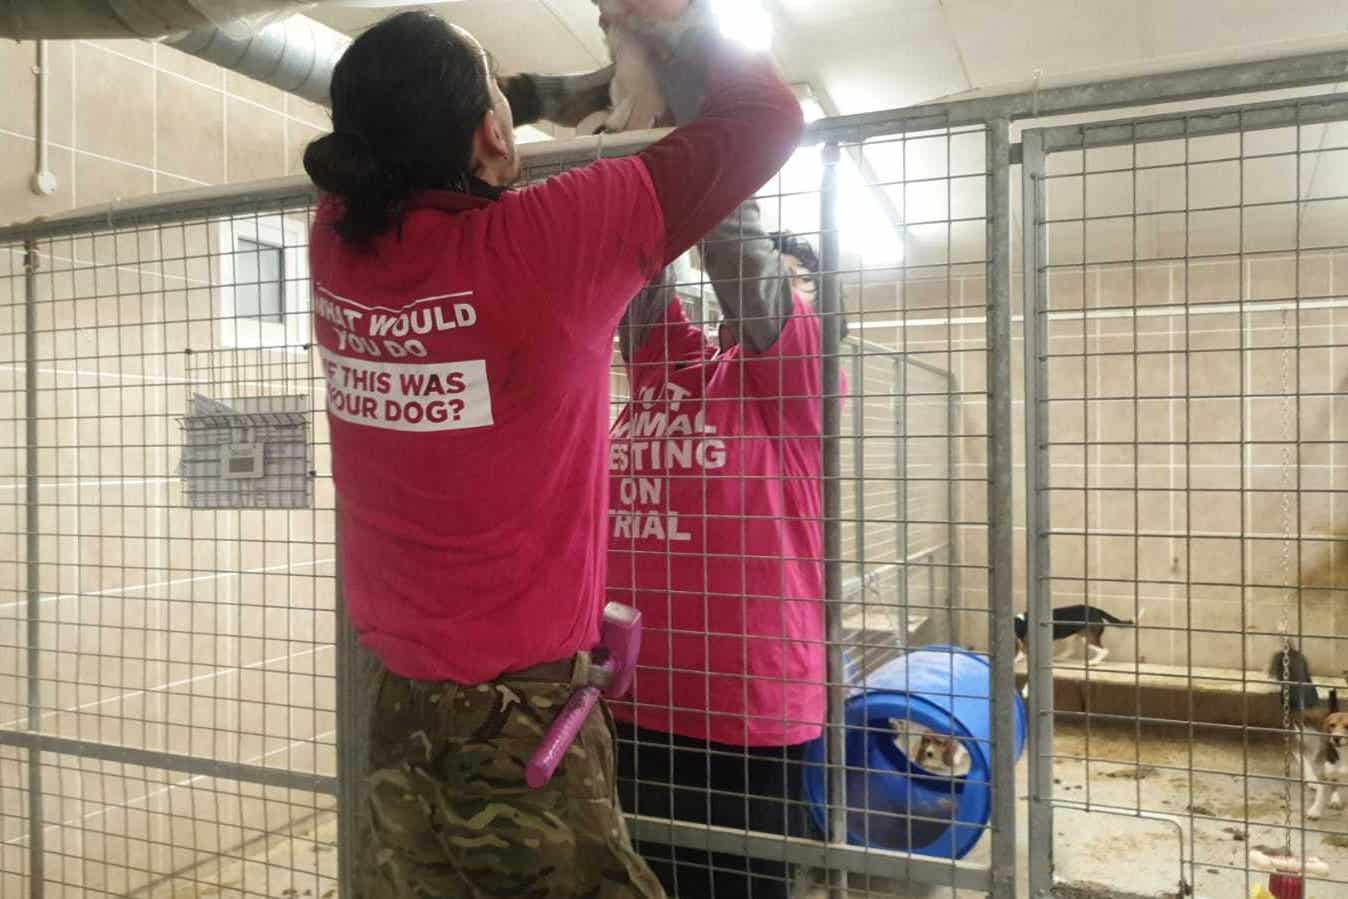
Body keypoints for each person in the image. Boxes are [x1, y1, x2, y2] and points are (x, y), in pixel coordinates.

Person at [301, 2, 804, 896]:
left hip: (392, 704)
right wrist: (675, 26)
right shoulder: (545, 240)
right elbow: (766, 119)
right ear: (492, 139)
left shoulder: (334, 244)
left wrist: (573, 87)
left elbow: (397, 133)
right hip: (521, 717)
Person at [607, 197, 828, 899]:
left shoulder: (800, 378)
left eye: (794, 283)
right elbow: (637, 275)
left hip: (747, 708)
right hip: (633, 695)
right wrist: (637, 172)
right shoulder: (667, 363)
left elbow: (742, 260)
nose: (774, 293)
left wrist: (703, 138)